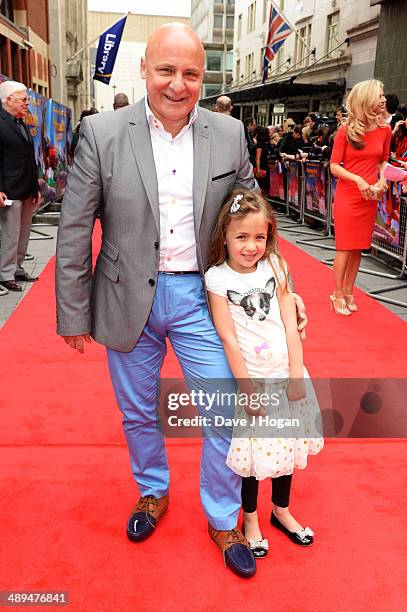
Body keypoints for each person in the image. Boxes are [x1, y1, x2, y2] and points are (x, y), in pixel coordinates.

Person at [56, 23, 306, 579]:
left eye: (190, 73)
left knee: (223, 408)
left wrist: (275, 280)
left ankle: (222, 517)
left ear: (202, 77)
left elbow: (250, 212)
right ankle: (152, 491)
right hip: (124, 296)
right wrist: (72, 311)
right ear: (144, 69)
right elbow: (74, 228)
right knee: (137, 410)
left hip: (203, 296)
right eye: (166, 71)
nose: (178, 84)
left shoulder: (229, 132)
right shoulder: (101, 132)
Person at [205, 189, 323, 558]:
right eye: (241, 237)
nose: (251, 246)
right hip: (253, 381)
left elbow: (290, 324)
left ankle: (281, 511)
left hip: (287, 374)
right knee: (255, 457)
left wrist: (295, 374)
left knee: (286, 447)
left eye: (260, 237)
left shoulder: (276, 265)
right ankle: (251, 517)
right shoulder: (217, 278)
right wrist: (247, 388)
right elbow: (228, 338)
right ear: (224, 235)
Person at [330, 79, 391, 315]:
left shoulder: (385, 130)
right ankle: (336, 294)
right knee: (344, 247)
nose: (383, 99)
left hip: (371, 196)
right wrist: (357, 179)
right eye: (379, 94)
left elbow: (383, 161)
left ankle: (348, 291)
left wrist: (383, 179)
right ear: (366, 99)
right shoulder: (345, 130)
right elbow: (334, 166)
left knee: (358, 248)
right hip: (348, 195)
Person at [0, 80, 41, 293]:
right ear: (9, 100)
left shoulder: (20, 122)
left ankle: (17, 267)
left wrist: (35, 189)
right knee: (10, 233)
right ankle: (5, 273)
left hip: (26, 189)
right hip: (10, 190)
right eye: (23, 99)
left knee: (24, 232)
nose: (27, 103)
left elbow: (28, 159)